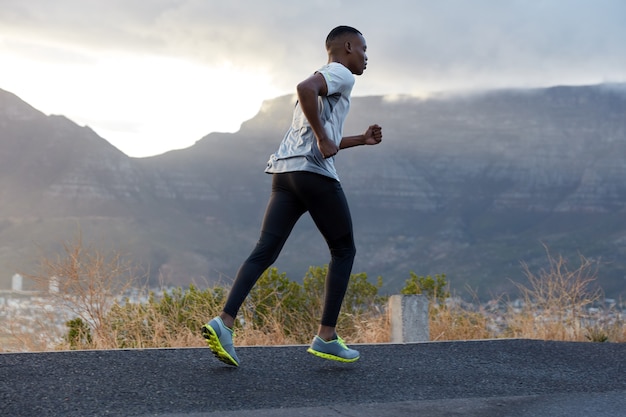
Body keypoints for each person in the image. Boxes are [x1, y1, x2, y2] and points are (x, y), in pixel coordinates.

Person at [202, 25, 383, 366]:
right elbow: (305, 89)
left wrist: (358, 139)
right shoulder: (342, 74)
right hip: (314, 175)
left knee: (264, 250)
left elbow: (325, 136)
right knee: (344, 250)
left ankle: (224, 322)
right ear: (347, 47)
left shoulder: (331, 81)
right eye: (363, 48)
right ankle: (326, 336)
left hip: (286, 174)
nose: (366, 56)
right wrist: (323, 138)